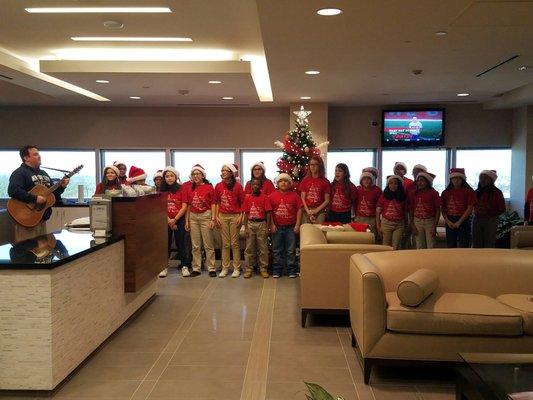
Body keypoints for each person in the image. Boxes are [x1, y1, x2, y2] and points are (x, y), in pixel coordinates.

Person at [8, 145, 69, 241]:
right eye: (35, 154)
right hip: (25, 219)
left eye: (39, 154)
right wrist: (34, 198)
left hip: (41, 219)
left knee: (42, 252)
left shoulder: (44, 173)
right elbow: (13, 190)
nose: (39, 156)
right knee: (27, 252)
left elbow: (52, 195)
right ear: (26, 158)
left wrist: (62, 186)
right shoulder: (20, 172)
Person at [159, 166, 192, 278]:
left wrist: (175, 220)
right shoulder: (161, 190)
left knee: (181, 243)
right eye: (167, 176)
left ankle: (184, 266)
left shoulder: (182, 189)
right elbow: (160, 207)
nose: (169, 178)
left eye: (171, 176)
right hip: (165, 220)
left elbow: (184, 206)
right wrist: (168, 220)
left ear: (176, 177)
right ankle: (164, 266)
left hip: (179, 219)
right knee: (165, 244)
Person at [269, 173, 303, 278]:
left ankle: (291, 270)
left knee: (290, 250)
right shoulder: (272, 196)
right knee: (277, 250)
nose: (283, 183)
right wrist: (272, 224)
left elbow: (300, 210)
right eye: (281, 181)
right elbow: (269, 212)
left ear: (290, 184)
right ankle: (277, 270)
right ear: (277, 184)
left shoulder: (295, 196)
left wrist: (297, 224)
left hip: (290, 227)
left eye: (286, 181)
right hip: (277, 227)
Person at [185, 164, 217, 276]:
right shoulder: (189, 188)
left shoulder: (209, 187)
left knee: (208, 244)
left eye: (198, 174)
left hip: (205, 216)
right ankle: (196, 268)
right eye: (193, 174)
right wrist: (187, 220)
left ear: (203, 175)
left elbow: (213, 203)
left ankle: (211, 268)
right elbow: (188, 205)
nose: (195, 176)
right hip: (193, 217)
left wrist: (213, 219)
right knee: (195, 245)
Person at [215, 163, 245, 278]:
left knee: (235, 243)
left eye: (225, 170)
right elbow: (217, 202)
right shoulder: (218, 186)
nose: (223, 172)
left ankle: (237, 268)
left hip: (235, 216)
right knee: (225, 244)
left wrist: (241, 216)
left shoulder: (238, 186)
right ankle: (225, 268)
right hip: (222, 216)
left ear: (231, 173)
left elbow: (243, 203)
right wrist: (216, 216)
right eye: (222, 170)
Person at [242, 178, 271, 279]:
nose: (255, 186)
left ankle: (263, 268)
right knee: (249, 248)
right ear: (251, 186)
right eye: (253, 185)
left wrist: (267, 227)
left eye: (257, 185)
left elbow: (268, 213)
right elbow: (246, 213)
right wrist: (245, 227)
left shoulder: (265, 197)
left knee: (263, 248)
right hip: (250, 223)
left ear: (260, 186)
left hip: (261, 223)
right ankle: (249, 268)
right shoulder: (248, 198)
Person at [441, 168, 476, 248]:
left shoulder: (469, 192)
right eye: (454, 178)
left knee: (464, 244)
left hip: (464, 221)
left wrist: (459, 222)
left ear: (462, 179)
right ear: (451, 179)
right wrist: (447, 221)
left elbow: (470, 208)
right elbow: (442, 209)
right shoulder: (445, 192)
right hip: (450, 220)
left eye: (458, 178)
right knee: (450, 244)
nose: (456, 180)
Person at [472, 170, 506, 248]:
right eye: (481, 178)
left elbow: (502, 208)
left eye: (485, 178)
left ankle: (489, 259)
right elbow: (471, 205)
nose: (482, 180)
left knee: (489, 243)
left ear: (491, 180)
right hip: (477, 219)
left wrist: (489, 212)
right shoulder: (476, 192)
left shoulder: (497, 192)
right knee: (476, 243)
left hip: (491, 220)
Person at [408, 171, 440, 249]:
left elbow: (438, 210)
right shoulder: (413, 193)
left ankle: (431, 261)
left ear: (427, 182)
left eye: (422, 180)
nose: (419, 183)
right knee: (419, 245)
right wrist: (412, 225)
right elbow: (411, 210)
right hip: (417, 221)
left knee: (431, 245)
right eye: (418, 181)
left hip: (429, 221)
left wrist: (434, 226)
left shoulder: (434, 193)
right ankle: (420, 261)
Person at [376, 175, 407, 250]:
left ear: (399, 185)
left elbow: (406, 212)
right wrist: (378, 226)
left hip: (399, 224)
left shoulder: (403, 196)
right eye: (390, 183)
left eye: (395, 183)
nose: (393, 185)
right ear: (388, 184)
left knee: (396, 246)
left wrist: (406, 225)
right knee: (386, 246)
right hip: (386, 223)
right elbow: (378, 212)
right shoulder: (383, 195)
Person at [299, 156, 330, 224]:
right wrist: (308, 211)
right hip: (306, 210)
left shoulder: (325, 181)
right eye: (311, 165)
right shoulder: (305, 180)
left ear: (320, 166)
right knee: (306, 231)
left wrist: (316, 210)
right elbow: (302, 198)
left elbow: (327, 200)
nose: (313, 167)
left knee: (318, 231)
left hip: (319, 211)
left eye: (315, 164)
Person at [354, 168, 382, 234]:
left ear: (372, 180)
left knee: (371, 237)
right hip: (359, 218)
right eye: (364, 179)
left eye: (368, 179)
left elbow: (379, 206)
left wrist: (378, 220)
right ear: (361, 181)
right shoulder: (357, 189)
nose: (366, 181)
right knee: (360, 237)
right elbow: (354, 203)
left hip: (371, 218)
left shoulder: (377, 190)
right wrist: (354, 216)